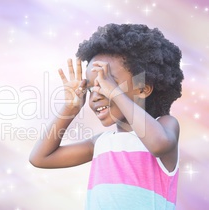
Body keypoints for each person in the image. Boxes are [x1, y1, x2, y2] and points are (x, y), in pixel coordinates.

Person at [29, 23, 184, 209]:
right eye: (91, 88)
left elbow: (159, 144)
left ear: (142, 88)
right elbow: (40, 158)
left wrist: (115, 92)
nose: (95, 96)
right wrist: (69, 109)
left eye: (107, 84)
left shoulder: (165, 125)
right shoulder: (100, 143)